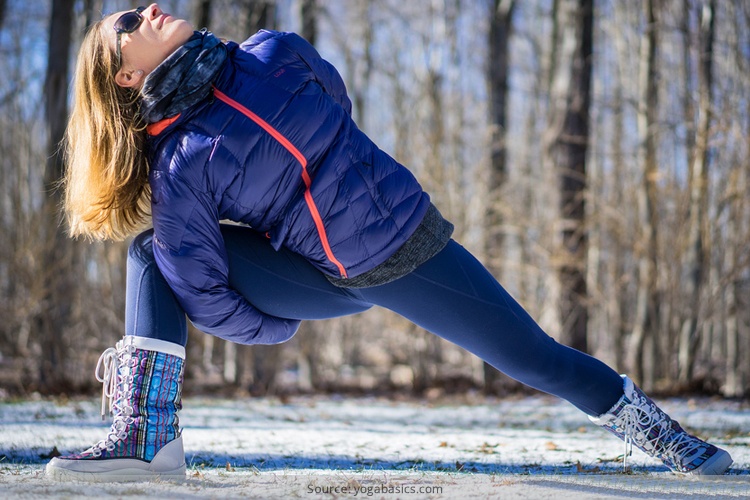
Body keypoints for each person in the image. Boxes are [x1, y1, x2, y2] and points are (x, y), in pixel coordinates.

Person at [46, 4, 732, 481]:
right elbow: (199, 284)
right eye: (128, 24)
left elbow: (334, 103)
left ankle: (664, 435)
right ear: (126, 77)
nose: (149, 9)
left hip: (404, 247)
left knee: (533, 357)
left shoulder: (272, 53)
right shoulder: (181, 163)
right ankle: (146, 433)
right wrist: (274, 324)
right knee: (148, 257)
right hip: (316, 278)